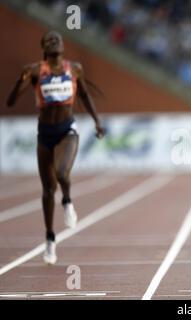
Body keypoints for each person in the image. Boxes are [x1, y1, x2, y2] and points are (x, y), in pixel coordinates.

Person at [6, 31, 105, 264]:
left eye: (57, 39)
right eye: (49, 40)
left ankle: (68, 200)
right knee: (48, 189)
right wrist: (21, 80)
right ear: (43, 47)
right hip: (45, 134)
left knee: (61, 173)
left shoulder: (75, 69)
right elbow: (10, 102)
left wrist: (97, 122)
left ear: (62, 46)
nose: (54, 41)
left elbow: (85, 95)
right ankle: (50, 239)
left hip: (67, 130)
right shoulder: (34, 71)